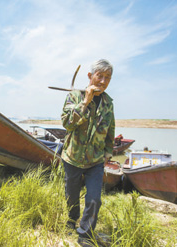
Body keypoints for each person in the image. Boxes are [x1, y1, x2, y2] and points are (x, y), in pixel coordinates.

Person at [61, 59, 115, 246]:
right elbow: (67, 123)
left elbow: (110, 129)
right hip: (73, 157)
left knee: (94, 199)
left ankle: (85, 234)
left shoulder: (108, 103)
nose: (103, 81)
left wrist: (108, 151)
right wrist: (85, 102)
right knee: (71, 194)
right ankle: (71, 219)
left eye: (107, 77)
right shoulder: (75, 96)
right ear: (90, 76)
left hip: (95, 160)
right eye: (99, 76)